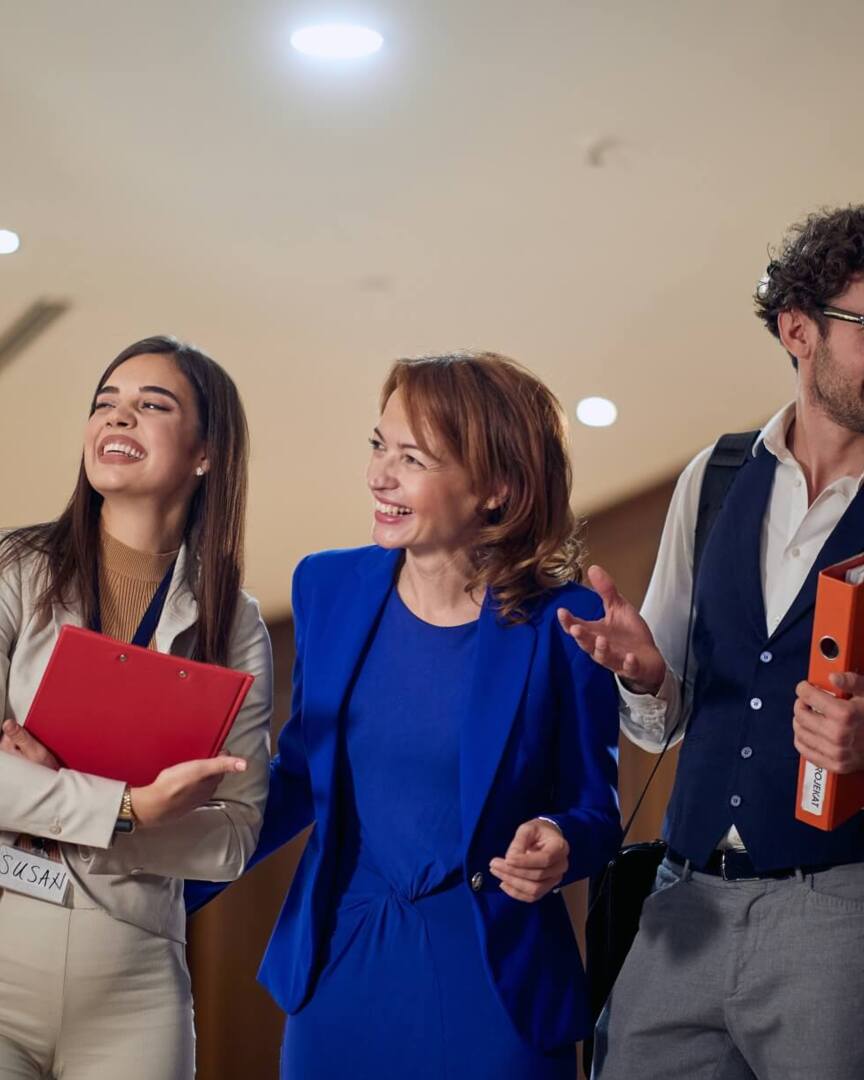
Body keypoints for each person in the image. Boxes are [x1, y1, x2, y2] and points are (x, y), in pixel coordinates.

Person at [188, 351, 621, 1078]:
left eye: (412, 457)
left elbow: (594, 809)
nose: (379, 475)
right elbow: (298, 776)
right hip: (340, 965)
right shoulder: (327, 585)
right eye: (378, 445)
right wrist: (167, 878)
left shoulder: (568, 622)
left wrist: (560, 840)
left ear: (497, 489)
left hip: (495, 978)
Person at [560, 206, 864, 1080]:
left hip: (836, 910)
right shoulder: (717, 476)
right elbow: (662, 724)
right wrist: (649, 677)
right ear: (798, 330)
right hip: (681, 906)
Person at [0, 335, 272, 1080]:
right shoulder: (17, 571)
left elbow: (234, 835)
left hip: (137, 986)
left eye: (151, 406)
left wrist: (59, 793)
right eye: (105, 403)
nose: (117, 419)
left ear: (206, 453)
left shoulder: (235, 620)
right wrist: (134, 808)